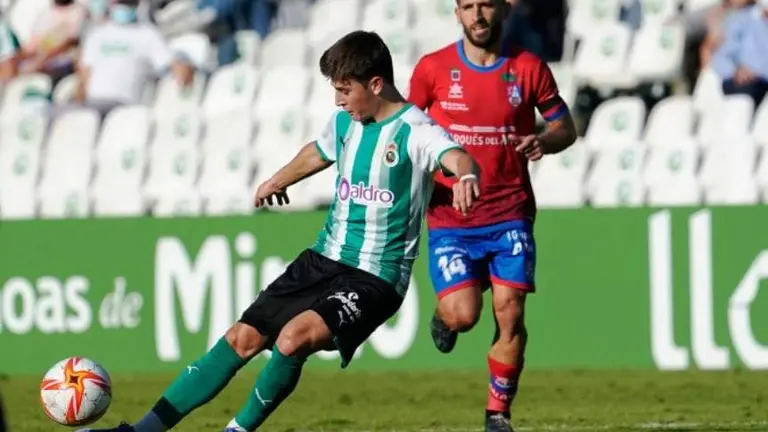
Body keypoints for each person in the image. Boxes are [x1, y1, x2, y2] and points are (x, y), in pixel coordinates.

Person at [78, 30, 480, 432]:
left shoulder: (415, 129)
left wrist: (464, 177)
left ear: (376, 84)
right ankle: (141, 430)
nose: (338, 100)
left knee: (292, 339)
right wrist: (278, 179)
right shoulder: (345, 122)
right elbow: (318, 151)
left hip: (376, 276)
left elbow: (458, 157)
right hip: (323, 259)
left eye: (344, 90)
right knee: (241, 339)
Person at [407, 0, 577, 431]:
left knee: (511, 310)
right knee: (463, 315)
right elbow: (408, 132)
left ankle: (497, 414)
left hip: (510, 212)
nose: (477, 16)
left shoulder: (528, 68)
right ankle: (444, 313)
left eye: (486, 5)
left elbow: (565, 126)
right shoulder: (433, 69)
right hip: (452, 216)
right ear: (457, 13)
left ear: (504, 8)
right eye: (468, 7)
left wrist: (545, 140)